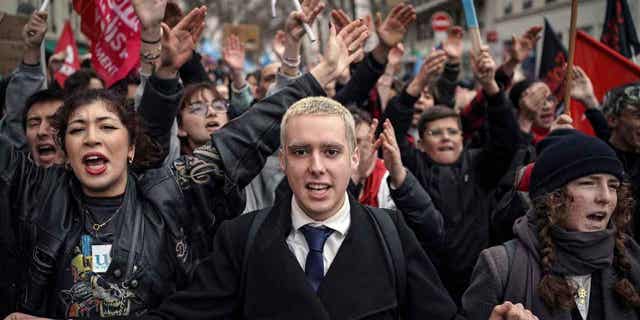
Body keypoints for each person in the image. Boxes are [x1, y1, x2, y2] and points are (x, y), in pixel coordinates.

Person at [141, 94, 537, 320]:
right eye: (301, 152)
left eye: (331, 151)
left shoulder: (392, 234)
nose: (316, 166)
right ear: (282, 159)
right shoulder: (241, 239)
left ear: (353, 159)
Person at [383, 46, 520, 304]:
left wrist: (491, 86)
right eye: (436, 133)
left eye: (452, 131)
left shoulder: (481, 165)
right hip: (427, 286)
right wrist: (417, 85)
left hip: (478, 284)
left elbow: (507, 140)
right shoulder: (413, 165)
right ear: (421, 143)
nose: (446, 137)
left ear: (462, 137)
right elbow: (390, 131)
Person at [462, 129, 640, 320]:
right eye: (588, 183)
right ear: (553, 197)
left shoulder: (630, 259)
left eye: (613, 186)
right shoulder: (499, 266)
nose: (605, 197)